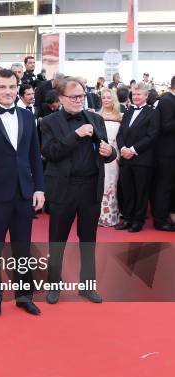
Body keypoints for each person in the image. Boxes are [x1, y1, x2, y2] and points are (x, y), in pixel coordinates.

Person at [0, 69, 45, 318]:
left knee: (22, 248)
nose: (8, 92)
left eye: (12, 87)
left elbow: (35, 155)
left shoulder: (27, 116)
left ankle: (24, 297)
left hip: (24, 193)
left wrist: (39, 187)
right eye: (2, 87)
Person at [41, 77, 116, 304]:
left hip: (91, 188)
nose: (78, 100)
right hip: (63, 189)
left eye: (81, 96)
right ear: (61, 98)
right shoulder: (48, 122)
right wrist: (75, 135)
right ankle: (54, 285)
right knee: (57, 239)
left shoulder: (95, 118)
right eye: (73, 97)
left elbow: (108, 153)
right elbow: (50, 152)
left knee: (88, 240)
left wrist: (109, 151)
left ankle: (87, 285)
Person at [115, 83, 159, 232]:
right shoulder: (128, 111)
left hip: (143, 160)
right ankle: (127, 218)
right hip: (126, 159)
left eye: (139, 94)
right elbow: (120, 133)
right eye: (134, 94)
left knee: (141, 192)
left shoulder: (153, 112)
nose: (136, 97)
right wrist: (122, 149)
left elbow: (152, 136)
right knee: (127, 190)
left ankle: (138, 221)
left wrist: (133, 150)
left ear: (146, 96)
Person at [150, 75, 175, 231]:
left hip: (171, 152)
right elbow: (165, 126)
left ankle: (168, 215)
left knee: (170, 187)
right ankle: (159, 220)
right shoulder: (167, 100)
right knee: (164, 186)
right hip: (166, 153)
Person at [98, 87, 123, 227]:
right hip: (100, 154)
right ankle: (100, 216)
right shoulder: (96, 115)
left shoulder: (121, 116)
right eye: (104, 97)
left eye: (109, 97)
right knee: (101, 183)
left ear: (113, 99)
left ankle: (112, 215)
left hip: (115, 156)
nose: (106, 100)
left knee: (112, 184)